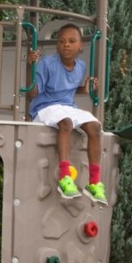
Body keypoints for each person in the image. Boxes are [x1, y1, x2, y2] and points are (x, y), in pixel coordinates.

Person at [26, 23, 106, 204]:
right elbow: (32, 94)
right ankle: (65, 177)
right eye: (62, 41)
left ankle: (94, 182)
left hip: (67, 106)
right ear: (57, 46)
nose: (66, 45)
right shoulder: (46, 63)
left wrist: (83, 89)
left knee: (95, 126)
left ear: (80, 46)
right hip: (44, 108)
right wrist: (31, 67)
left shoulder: (81, 66)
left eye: (71, 41)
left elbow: (65, 88)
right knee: (67, 123)